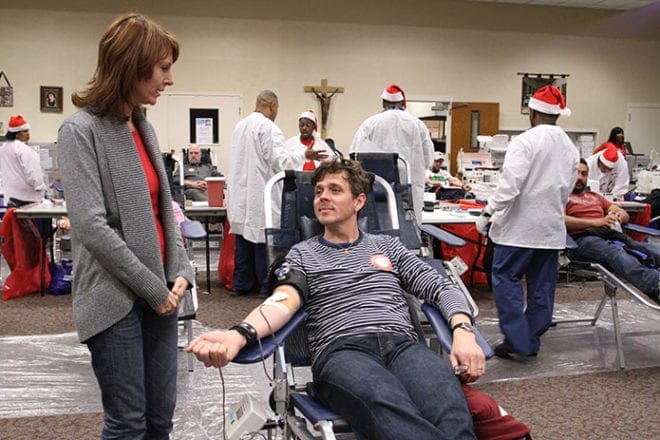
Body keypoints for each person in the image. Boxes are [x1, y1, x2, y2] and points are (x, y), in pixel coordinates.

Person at [188, 158, 484, 440]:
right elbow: (283, 301)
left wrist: (463, 331)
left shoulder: (388, 247)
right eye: (318, 192)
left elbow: (440, 287)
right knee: (386, 402)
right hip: (343, 353)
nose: (323, 198)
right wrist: (239, 335)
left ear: (359, 201)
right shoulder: (303, 254)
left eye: (335, 190)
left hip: (402, 346)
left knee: (450, 405)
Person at [57, 13, 194, 438]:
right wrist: (154, 289)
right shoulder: (80, 131)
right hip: (116, 299)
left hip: (161, 296)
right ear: (132, 66)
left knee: (159, 421)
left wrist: (182, 271)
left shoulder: (142, 125)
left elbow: (164, 210)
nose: (169, 80)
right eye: (163, 68)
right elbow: (91, 227)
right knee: (128, 424)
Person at [475, 85, 579, 359]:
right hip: (550, 230)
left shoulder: (525, 141)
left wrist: (488, 213)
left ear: (532, 112)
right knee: (541, 287)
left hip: (518, 231)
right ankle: (530, 338)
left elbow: (510, 187)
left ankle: (518, 341)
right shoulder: (570, 147)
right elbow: (567, 190)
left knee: (505, 279)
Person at [227, 90, 327, 297]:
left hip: (242, 193)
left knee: (244, 240)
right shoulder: (269, 128)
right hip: (260, 192)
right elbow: (280, 162)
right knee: (264, 238)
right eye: (277, 109)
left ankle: (241, 285)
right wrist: (304, 154)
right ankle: (266, 286)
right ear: (272, 105)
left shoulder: (240, 126)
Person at [565, 159, 660, 305]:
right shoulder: (562, 197)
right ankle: (655, 285)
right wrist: (595, 222)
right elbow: (560, 220)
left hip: (608, 234)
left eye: (584, 174)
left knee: (647, 249)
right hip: (582, 239)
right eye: (576, 173)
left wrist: (618, 216)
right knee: (615, 252)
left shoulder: (595, 197)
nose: (580, 177)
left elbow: (621, 212)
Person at [349, 84, 434, 224]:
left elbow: (354, 156)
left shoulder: (370, 123)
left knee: (378, 227)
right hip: (409, 189)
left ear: (383, 103)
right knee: (408, 228)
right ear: (402, 103)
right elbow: (429, 160)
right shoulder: (417, 124)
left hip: (378, 189)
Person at [0, 115, 46, 208]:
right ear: (16, 133)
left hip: (10, 198)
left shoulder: (3, 149)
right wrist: (40, 189)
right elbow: (34, 175)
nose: (28, 134)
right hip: (27, 199)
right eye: (25, 131)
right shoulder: (24, 149)